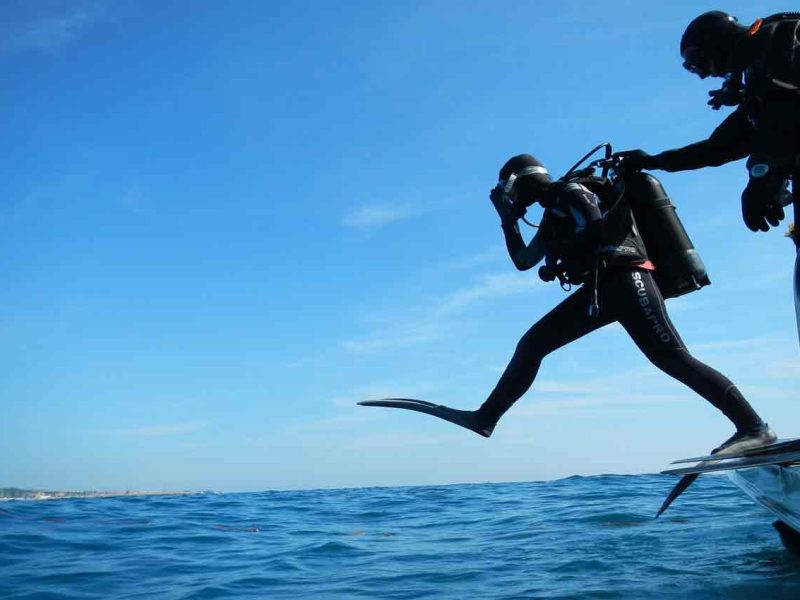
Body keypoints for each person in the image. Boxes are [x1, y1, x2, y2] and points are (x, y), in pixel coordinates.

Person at [361, 154, 776, 456]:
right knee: (532, 344)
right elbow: (525, 261)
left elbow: (596, 229)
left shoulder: (572, 191)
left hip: (628, 278)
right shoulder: (551, 213)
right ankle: (485, 418)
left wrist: (565, 250)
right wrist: (507, 223)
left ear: (515, 184)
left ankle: (753, 426)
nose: (510, 200)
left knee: (672, 357)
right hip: (602, 289)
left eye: (508, 193)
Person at [614, 11, 800, 235]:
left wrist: (763, 172)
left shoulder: (780, 40)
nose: (703, 75)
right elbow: (717, 149)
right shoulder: (760, 94)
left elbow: (784, 116)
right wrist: (653, 161)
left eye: (697, 62)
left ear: (716, 45)